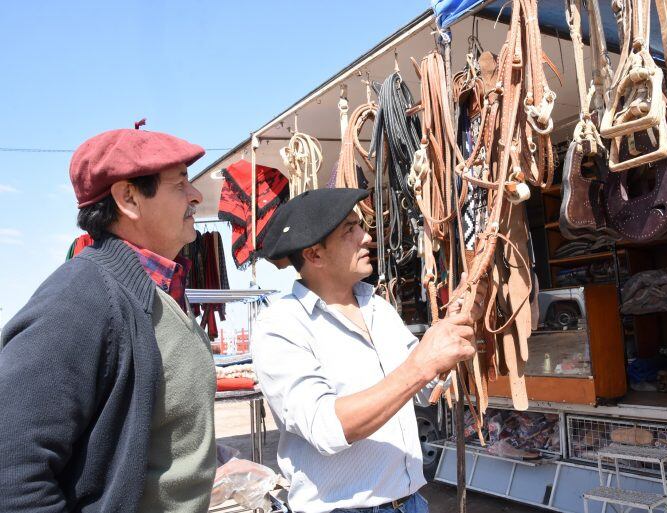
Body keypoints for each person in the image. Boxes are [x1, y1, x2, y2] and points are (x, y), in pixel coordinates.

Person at [0, 128, 217, 513]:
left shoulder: (158, 291)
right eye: (180, 183)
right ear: (128, 197)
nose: (196, 195)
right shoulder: (81, 297)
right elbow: (12, 471)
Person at [253, 188, 485, 513]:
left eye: (359, 226)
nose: (366, 237)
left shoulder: (377, 307)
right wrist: (420, 365)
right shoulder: (280, 325)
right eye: (350, 229)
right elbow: (325, 427)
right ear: (314, 255)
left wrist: (451, 329)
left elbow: (424, 390)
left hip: (412, 503)